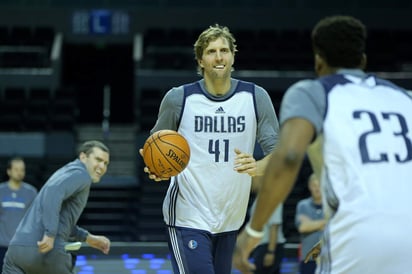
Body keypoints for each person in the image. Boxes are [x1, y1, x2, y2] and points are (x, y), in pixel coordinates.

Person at [233, 15, 412, 274]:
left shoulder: (313, 92)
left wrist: (252, 231)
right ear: (363, 60)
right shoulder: (403, 97)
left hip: (356, 236)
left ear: (319, 61)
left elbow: (290, 156)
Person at [139, 24, 279, 274]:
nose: (219, 57)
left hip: (230, 217)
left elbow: (279, 157)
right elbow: (155, 147)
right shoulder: (179, 98)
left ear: (233, 56)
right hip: (187, 216)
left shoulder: (255, 97)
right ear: (200, 59)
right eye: (211, 51)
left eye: (224, 50)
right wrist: (156, 168)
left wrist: (258, 166)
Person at [3, 140, 112, 274]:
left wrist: (89, 238)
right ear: (83, 157)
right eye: (98, 159)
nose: (102, 166)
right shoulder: (82, 175)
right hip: (46, 250)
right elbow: (53, 192)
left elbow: (60, 218)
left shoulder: (65, 172)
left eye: (106, 163)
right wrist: (50, 234)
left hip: (17, 251)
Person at [0, 157, 37, 270]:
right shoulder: (1, 190)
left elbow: (36, 219)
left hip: (23, 246)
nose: (19, 172)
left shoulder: (31, 192)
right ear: (9, 171)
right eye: (16, 169)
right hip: (2, 245)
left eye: (22, 170)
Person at [295, 173, 325, 274]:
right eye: (314, 185)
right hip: (308, 257)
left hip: (328, 257)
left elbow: (335, 226)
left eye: (319, 185)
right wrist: (325, 222)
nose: (317, 189)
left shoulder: (331, 205)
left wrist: (311, 224)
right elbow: (303, 227)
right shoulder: (303, 205)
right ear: (309, 186)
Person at [248, 198, 285, 274]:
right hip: (261, 245)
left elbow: (274, 227)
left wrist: (271, 252)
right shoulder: (260, 197)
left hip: (269, 246)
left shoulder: (274, 198)